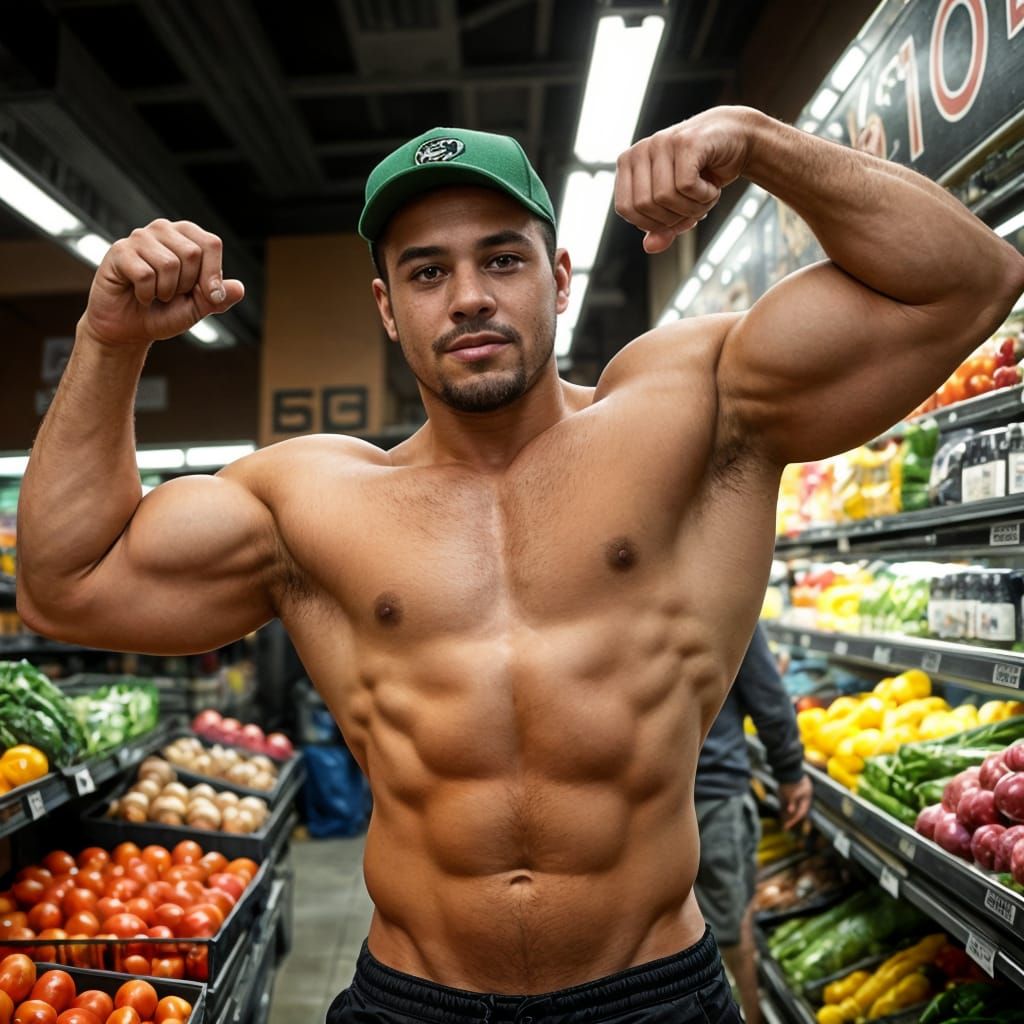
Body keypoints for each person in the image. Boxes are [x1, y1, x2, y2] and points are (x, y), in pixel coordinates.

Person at [15, 107, 1024, 1023]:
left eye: (502, 260)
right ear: (385, 305)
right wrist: (110, 341)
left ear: (560, 277)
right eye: (426, 271)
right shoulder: (307, 500)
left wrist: (762, 145)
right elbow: (67, 583)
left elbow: (967, 279)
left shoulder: (694, 408)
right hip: (415, 1000)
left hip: (654, 994)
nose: (467, 298)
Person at [694, 624, 811, 1023]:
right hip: (714, 792)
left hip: (644, 800)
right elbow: (766, 693)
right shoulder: (715, 589)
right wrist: (791, 772)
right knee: (730, 928)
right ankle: (751, 1014)